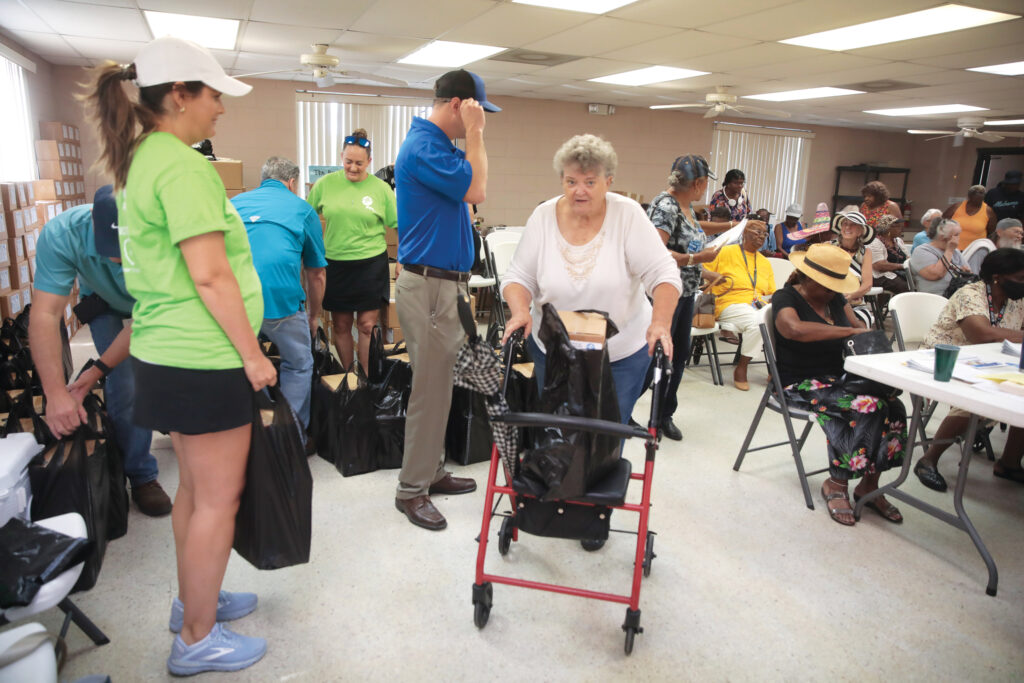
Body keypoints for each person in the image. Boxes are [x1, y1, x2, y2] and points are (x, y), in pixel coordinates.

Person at [82, 36, 274, 675]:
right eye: (214, 94)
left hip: (167, 352)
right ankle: (196, 637)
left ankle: (196, 599)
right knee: (218, 498)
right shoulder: (185, 167)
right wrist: (252, 356)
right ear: (180, 94)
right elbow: (211, 276)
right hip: (206, 356)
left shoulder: (143, 160)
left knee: (193, 490)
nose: (221, 107)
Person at [502, 134, 680, 422]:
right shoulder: (543, 216)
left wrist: (660, 323)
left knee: (607, 436)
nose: (579, 191)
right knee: (558, 434)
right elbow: (518, 276)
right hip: (554, 349)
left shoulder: (628, 215)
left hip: (619, 353)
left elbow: (664, 273)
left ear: (608, 181)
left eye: (589, 182)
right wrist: (521, 311)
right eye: (571, 182)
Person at [392, 69, 497, 531]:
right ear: (458, 104)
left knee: (440, 386)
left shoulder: (439, 147)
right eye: (475, 111)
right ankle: (411, 489)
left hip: (446, 284)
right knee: (429, 390)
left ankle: (431, 471)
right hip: (430, 286)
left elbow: (470, 193)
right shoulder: (425, 146)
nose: (479, 121)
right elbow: (478, 191)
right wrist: (475, 134)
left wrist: (470, 138)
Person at [30, 187, 172, 517]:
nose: (117, 261)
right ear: (93, 225)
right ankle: (141, 475)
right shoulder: (63, 234)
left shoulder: (168, 238)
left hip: (149, 308)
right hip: (105, 303)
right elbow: (45, 314)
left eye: (127, 251)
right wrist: (56, 393)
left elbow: (144, 320)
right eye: (110, 250)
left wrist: (93, 373)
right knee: (125, 382)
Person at [772, 243, 908, 526]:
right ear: (808, 278)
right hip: (798, 382)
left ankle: (869, 484)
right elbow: (792, 329)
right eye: (827, 285)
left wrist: (864, 334)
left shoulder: (835, 300)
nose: (833, 291)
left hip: (838, 377)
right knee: (863, 407)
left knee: (894, 406)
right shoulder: (786, 297)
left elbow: (857, 329)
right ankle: (836, 483)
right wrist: (844, 330)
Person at [914, 248, 1024, 491]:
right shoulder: (970, 294)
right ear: (998, 277)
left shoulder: (1015, 301)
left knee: (1019, 393)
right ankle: (928, 459)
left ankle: (1009, 463)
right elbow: (981, 334)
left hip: (989, 361)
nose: (1023, 284)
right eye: (1020, 279)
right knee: (979, 396)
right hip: (946, 360)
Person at [231, 156, 327, 433]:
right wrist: (313, 315)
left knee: (240, 366)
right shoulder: (302, 209)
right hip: (281, 302)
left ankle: (246, 435)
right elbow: (316, 273)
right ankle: (288, 438)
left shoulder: (233, 204)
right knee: (297, 364)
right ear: (292, 182)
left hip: (236, 303)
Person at [646, 154, 723, 440]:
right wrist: (696, 259)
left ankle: (665, 414)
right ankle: (623, 410)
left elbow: (696, 232)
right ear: (699, 183)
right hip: (666, 295)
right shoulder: (666, 207)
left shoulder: (685, 205)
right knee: (651, 357)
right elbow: (655, 252)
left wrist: (730, 228)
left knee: (677, 357)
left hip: (687, 291)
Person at [307, 128, 397, 371]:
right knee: (341, 325)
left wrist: (404, 259)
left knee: (367, 325)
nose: (353, 168)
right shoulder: (324, 185)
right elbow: (305, 216)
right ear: (341, 157)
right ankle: (349, 376)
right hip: (336, 263)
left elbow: (400, 225)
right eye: (348, 162)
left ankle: (366, 378)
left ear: (369, 161)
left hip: (371, 264)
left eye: (359, 163)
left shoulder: (381, 189)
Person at [702, 221, 776, 391]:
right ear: (744, 233)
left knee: (782, 321)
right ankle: (742, 368)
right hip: (729, 302)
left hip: (759, 304)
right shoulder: (725, 251)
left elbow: (771, 291)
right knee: (758, 322)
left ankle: (775, 367)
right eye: (757, 232)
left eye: (764, 234)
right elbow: (698, 268)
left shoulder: (765, 262)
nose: (761, 237)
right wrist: (712, 276)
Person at [829, 207, 875, 326]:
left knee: (863, 323)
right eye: (845, 224)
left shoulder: (866, 252)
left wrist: (850, 297)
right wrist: (839, 299)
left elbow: (867, 284)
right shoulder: (829, 247)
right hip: (829, 300)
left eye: (853, 224)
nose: (848, 227)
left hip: (856, 303)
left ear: (860, 231)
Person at [909, 218, 971, 297]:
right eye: (956, 235)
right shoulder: (922, 251)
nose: (958, 238)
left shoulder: (956, 252)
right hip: (935, 298)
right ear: (942, 237)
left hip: (958, 295)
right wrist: (949, 251)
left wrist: (966, 272)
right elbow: (936, 274)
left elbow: (970, 273)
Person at [868, 213, 909, 295]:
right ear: (888, 229)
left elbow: (908, 257)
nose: (901, 229)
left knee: (917, 280)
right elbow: (879, 265)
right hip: (879, 275)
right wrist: (902, 266)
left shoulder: (898, 241)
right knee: (903, 286)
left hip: (898, 273)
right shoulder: (875, 243)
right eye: (897, 226)